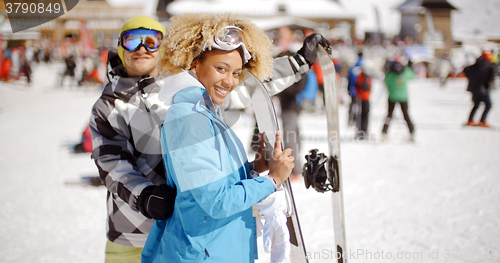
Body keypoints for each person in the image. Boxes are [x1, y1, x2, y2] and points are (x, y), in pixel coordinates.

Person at [89, 15, 331, 263]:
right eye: (132, 40)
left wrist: (298, 62)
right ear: (120, 46)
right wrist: (144, 195)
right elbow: (111, 163)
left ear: (168, 46)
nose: (142, 48)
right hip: (132, 229)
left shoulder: (184, 91)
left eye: (151, 40)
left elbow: (249, 84)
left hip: (186, 227)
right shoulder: (109, 106)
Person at [141, 13, 295, 263]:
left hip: (216, 248)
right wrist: (273, 180)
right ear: (195, 64)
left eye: (236, 73)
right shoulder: (189, 117)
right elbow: (216, 202)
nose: (230, 81)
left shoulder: (205, 112)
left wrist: (255, 167)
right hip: (204, 253)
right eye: (221, 68)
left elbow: (212, 182)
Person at [382, 56, 416, 141]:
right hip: (403, 97)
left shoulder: (390, 73)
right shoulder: (406, 72)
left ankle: (384, 132)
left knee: (389, 115)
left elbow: (386, 82)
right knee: (406, 115)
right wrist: (410, 66)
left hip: (392, 96)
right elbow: (413, 76)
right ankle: (412, 131)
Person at [463, 51, 497, 127]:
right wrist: (487, 85)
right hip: (483, 89)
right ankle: (482, 121)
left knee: (476, 105)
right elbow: (492, 77)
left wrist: (472, 79)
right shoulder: (490, 66)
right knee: (488, 105)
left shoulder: (475, 65)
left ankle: (470, 120)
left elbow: (465, 70)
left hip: (473, 88)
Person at [354, 60, 372, 140]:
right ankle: (360, 131)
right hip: (361, 98)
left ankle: (364, 130)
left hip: (366, 98)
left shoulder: (367, 76)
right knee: (360, 115)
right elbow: (357, 86)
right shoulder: (361, 76)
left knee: (365, 115)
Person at [347, 51, 363, 126]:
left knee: (352, 105)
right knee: (359, 107)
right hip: (360, 90)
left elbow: (349, 77)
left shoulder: (354, 65)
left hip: (353, 89)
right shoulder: (364, 64)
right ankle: (357, 121)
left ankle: (350, 119)